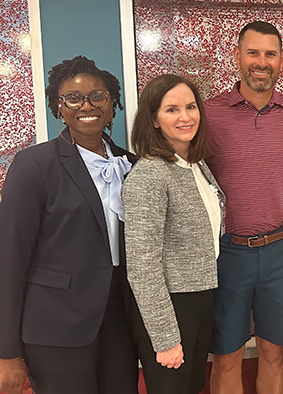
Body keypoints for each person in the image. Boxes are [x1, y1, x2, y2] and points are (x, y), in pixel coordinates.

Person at [0, 56, 138, 394]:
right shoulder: (34, 165)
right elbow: (9, 260)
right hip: (55, 327)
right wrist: (6, 353)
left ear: (112, 103)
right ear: (58, 107)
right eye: (73, 98)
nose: (86, 105)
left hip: (120, 322)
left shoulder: (131, 165)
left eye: (98, 96)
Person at [204, 21, 283, 394]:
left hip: (281, 250)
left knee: (273, 351)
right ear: (237, 56)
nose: (261, 62)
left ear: (281, 60)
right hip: (226, 252)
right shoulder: (207, 114)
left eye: (270, 54)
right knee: (226, 356)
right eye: (253, 52)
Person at [121, 74, 225, 394]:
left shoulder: (194, 163)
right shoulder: (150, 174)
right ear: (153, 118)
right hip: (170, 306)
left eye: (191, 107)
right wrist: (165, 337)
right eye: (172, 109)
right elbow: (142, 267)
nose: (185, 117)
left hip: (199, 298)